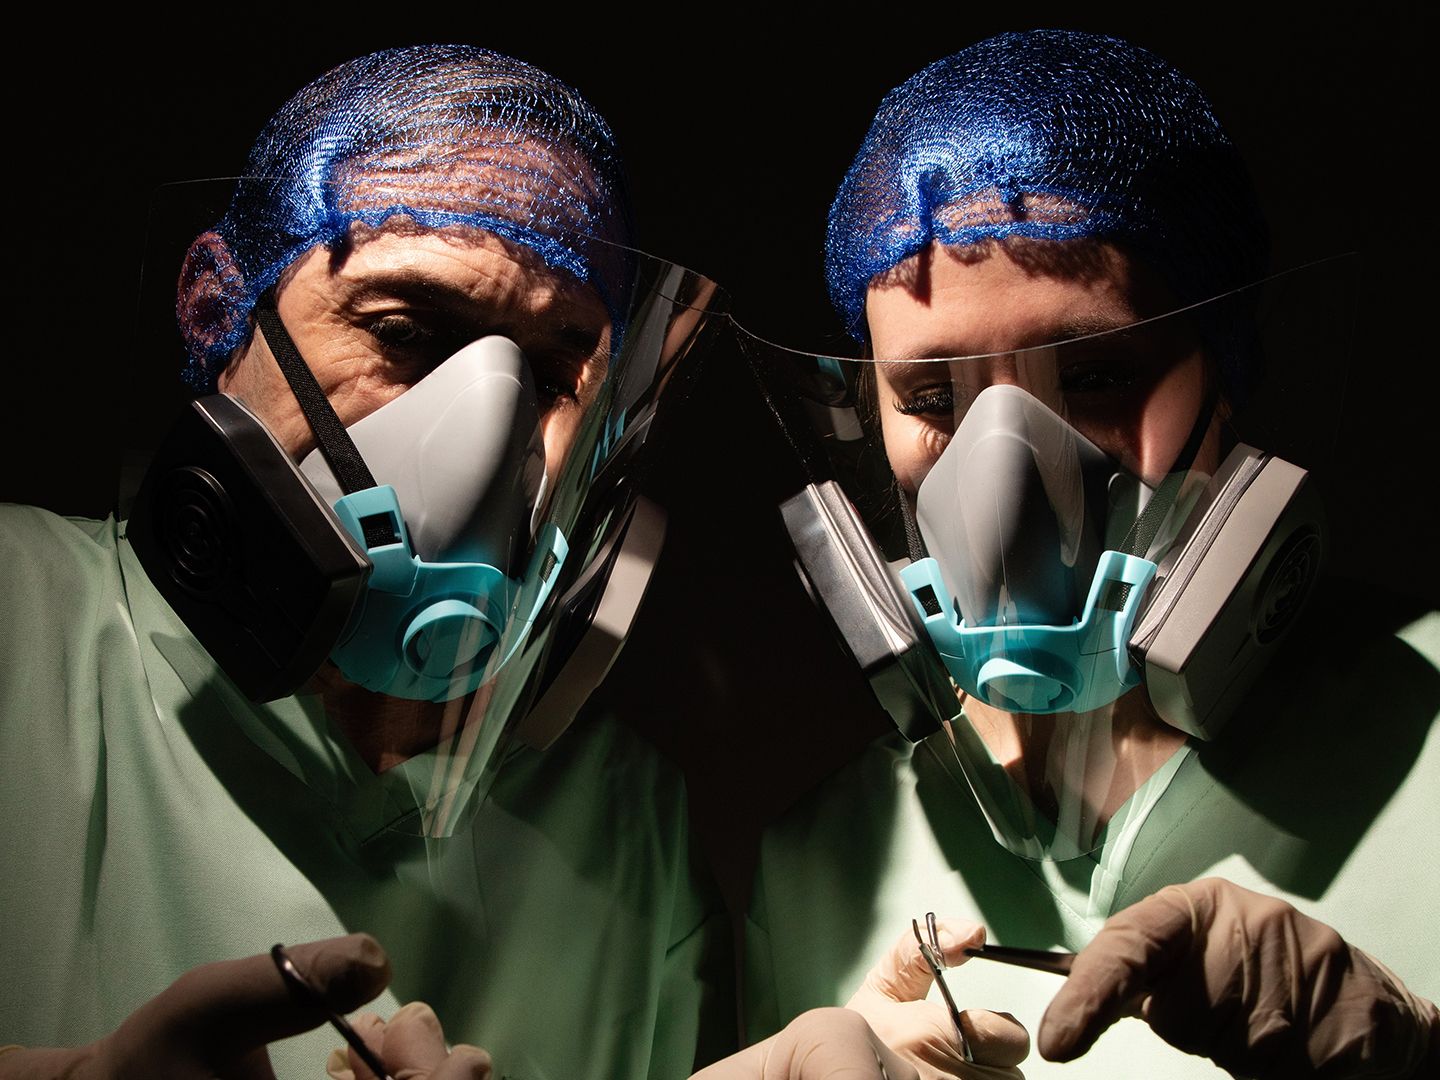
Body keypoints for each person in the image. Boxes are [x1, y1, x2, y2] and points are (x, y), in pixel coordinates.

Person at [0, 44, 734, 1079]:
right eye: (405, 329)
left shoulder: (622, 824)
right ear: (218, 313)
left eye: (558, 368)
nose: (491, 430)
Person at [743, 29, 1439, 1079]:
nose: (1006, 473)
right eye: (931, 399)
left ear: (1226, 373)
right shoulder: (820, 869)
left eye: (1101, 374)